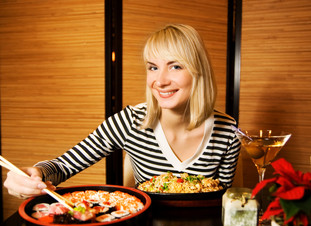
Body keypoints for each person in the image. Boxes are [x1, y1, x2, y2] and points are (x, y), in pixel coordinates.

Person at [4, 24, 240, 199]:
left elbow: (226, 201)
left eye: (175, 66)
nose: (160, 80)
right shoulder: (130, 121)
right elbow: (63, 166)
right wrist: (35, 174)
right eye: (153, 67)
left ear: (199, 72)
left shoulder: (228, 130)